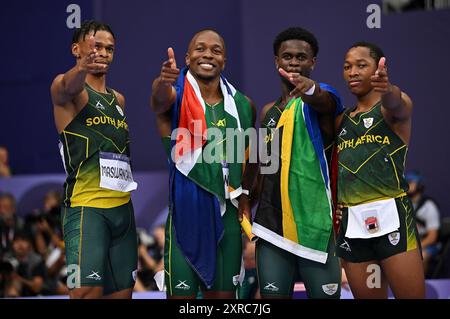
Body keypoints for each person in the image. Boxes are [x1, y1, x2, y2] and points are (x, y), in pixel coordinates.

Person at [150, 29, 256, 298]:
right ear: (187, 57)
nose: (208, 54)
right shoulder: (174, 99)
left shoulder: (243, 105)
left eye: (216, 50)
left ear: (225, 60)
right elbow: (159, 99)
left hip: (230, 218)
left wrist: (245, 194)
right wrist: (164, 82)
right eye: (200, 49)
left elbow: (249, 158)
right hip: (188, 214)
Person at [249, 27, 343, 299]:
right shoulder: (268, 111)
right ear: (276, 61)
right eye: (287, 56)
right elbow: (263, 165)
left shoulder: (322, 99)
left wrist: (310, 90)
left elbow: (322, 100)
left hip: (316, 226)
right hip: (272, 228)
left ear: (313, 62)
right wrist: (245, 198)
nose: (293, 62)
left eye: (301, 57)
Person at [50, 20, 138, 299]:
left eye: (109, 49)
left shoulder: (119, 100)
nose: (102, 53)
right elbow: (69, 86)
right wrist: (82, 68)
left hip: (123, 211)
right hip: (87, 210)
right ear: (77, 49)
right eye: (95, 46)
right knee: (86, 292)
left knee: (123, 295)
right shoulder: (66, 90)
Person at [334, 42, 425, 298]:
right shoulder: (341, 120)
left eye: (361, 65)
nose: (353, 72)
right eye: (347, 67)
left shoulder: (390, 109)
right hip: (352, 223)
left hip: (393, 219)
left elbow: (398, 103)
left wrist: (388, 90)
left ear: (378, 68)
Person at [406, 171, 441, 275]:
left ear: (420, 185)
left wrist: (415, 247)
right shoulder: (403, 204)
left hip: (426, 243)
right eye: (406, 182)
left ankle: (421, 285)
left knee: (422, 255)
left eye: (411, 182)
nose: (408, 185)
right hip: (408, 242)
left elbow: (432, 236)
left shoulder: (428, 206)